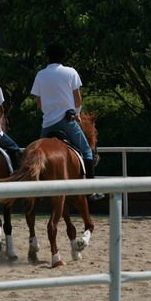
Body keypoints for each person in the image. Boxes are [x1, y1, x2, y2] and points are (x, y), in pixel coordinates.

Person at [31, 43, 104, 201]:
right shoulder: (71, 72)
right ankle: (90, 190)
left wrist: (48, 112)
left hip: (47, 124)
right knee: (87, 151)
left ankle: (36, 189)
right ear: (63, 56)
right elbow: (77, 99)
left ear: (47, 57)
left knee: (36, 153)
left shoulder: (40, 75)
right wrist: (77, 115)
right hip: (67, 121)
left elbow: (38, 101)